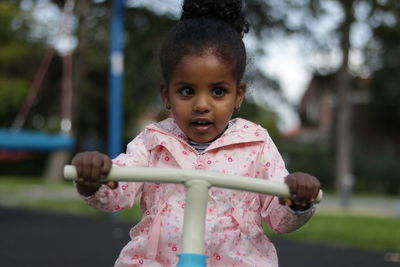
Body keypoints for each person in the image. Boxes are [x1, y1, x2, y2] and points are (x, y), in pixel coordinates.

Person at [72, 0, 321, 266]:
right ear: (166, 95)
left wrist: (296, 199)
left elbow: (279, 218)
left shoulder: (255, 144)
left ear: (238, 96)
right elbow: (117, 193)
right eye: (187, 91)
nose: (202, 105)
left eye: (218, 91)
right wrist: (96, 178)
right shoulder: (154, 141)